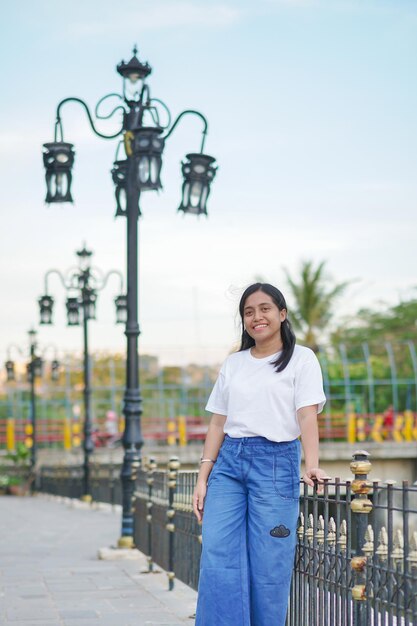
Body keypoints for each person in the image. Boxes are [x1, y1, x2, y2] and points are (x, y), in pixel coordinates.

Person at [193, 282, 328, 626]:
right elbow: (218, 423)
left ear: (282, 314)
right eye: (249, 312)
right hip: (229, 463)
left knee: (270, 559)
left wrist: (311, 464)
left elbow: (306, 414)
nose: (257, 317)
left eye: (265, 309)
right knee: (217, 550)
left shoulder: (302, 359)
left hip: (276, 461)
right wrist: (203, 478)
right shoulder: (234, 364)